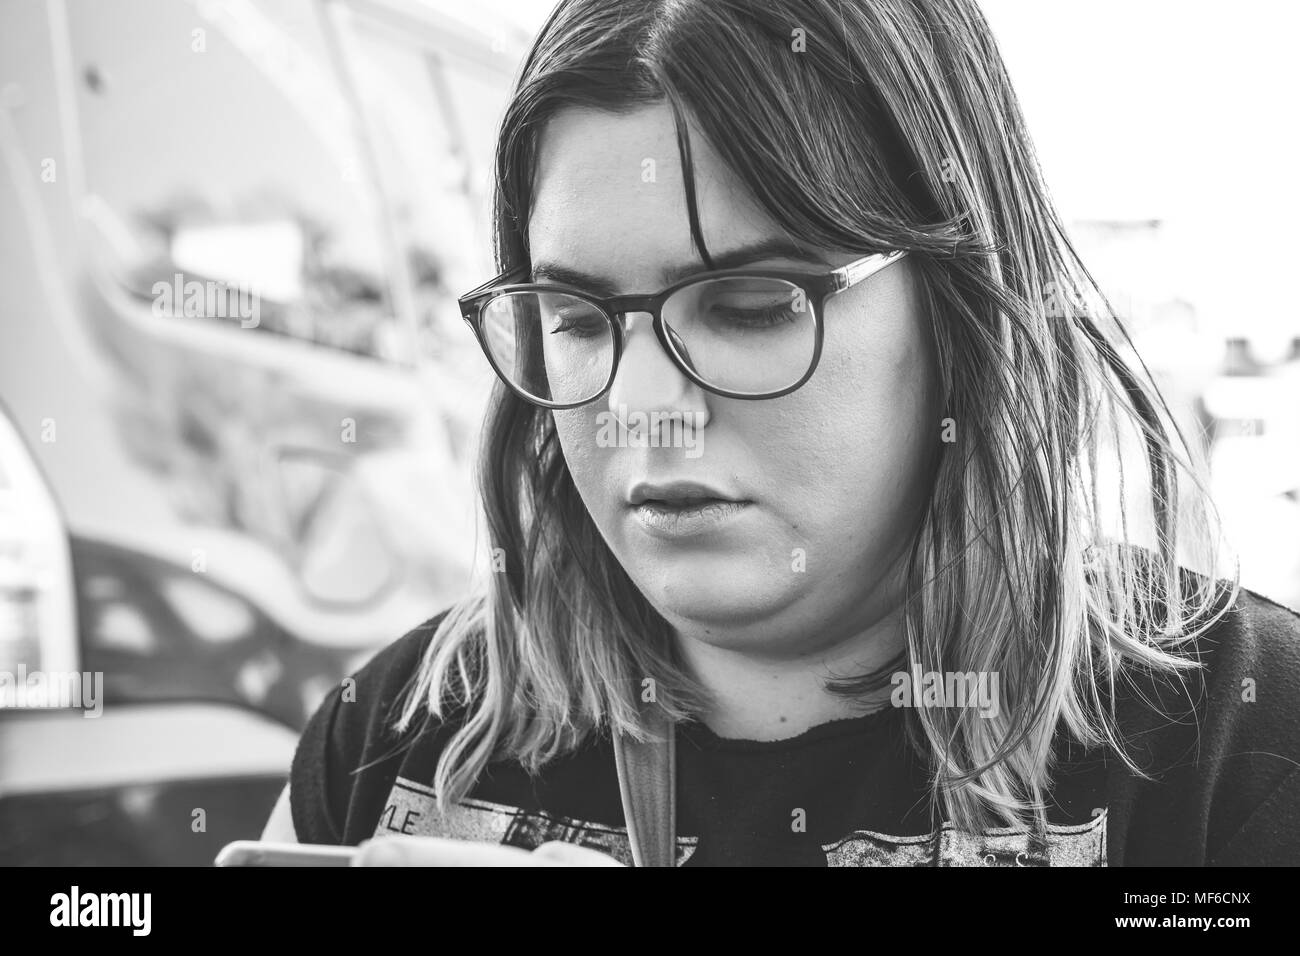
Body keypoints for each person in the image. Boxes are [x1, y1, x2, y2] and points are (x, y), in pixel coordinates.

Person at [261, 0, 1300, 866]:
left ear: (960, 313)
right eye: (575, 320)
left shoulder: (1234, 738)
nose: (639, 403)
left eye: (752, 306)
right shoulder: (396, 735)